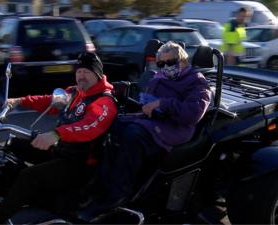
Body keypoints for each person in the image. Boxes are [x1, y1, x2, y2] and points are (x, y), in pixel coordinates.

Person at [79, 41, 212, 220]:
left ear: (182, 60)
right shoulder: (160, 76)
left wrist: (162, 104)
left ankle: (119, 195)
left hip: (174, 127)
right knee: (111, 127)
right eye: (161, 64)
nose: (165, 67)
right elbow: (146, 96)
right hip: (153, 121)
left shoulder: (197, 82)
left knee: (132, 136)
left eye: (170, 62)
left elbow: (193, 114)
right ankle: (100, 186)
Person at [0, 52, 118, 224]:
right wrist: (20, 101)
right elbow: (49, 102)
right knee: (12, 144)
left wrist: (56, 134)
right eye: (79, 71)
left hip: (79, 165)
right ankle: (17, 195)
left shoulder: (104, 102)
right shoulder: (75, 92)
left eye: (87, 72)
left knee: (29, 176)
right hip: (61, 151)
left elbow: (90, 127)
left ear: (97, 74)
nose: (81, 76)